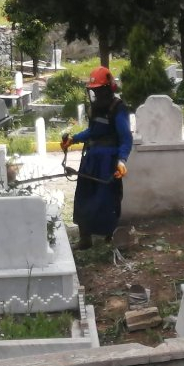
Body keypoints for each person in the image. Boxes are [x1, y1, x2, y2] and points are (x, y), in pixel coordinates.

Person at [60, 66, 133, 250]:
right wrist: (73, 139)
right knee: (83, 197)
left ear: (108, 89)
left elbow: (126, 138)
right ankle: (85, 238)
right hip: (91, 160)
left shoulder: (118, 108)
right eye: (94, 91)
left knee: (106, 200)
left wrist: (122, 161)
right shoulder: (95, 109)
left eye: (99, 90)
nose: (96, 94)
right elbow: (92, 131)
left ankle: (109, 239)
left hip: (108, 163)